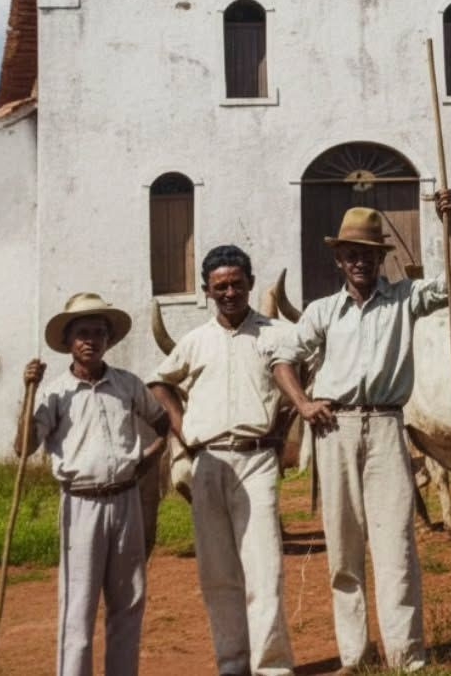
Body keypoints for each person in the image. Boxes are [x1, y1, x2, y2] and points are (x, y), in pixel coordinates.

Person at [271, 192, 451, 673]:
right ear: (339, 259)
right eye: (352, 254)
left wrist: (450, 224)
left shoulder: (404, 298)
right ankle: (355, 657)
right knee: (343, 549)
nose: (360, 262)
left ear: (382, 259)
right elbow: (282, 361)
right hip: (333, 428)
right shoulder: (321, 312)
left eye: (370, 254)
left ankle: (407, 657)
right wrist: (303, 402)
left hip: (384, 426)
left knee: (396, 544)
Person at [149, 245, 295, 676]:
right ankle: (232, 664)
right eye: (220, 287)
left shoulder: (276, 334)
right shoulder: (195, 341)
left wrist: (282, 433)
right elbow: (160, 382)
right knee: (217, 572)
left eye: (236, 283)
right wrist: (183, 428)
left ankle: (273, 667)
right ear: (207, 291)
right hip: (208, 462)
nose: (229, 292)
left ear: (250, 283)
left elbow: (300, 382)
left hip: (257, 462)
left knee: (264, 567)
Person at [20, 292, 169, 676]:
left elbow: (162, 422)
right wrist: (28, 392)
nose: (91, 340)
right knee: (78, 604)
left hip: (126, 501)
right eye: (83, 333)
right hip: (80, 505)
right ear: (69, 342)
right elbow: (24, 447)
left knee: (128, 599)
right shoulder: (53, 392)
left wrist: (149, 458)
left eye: (99, 333)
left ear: (109, 340)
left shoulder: (128, 385)